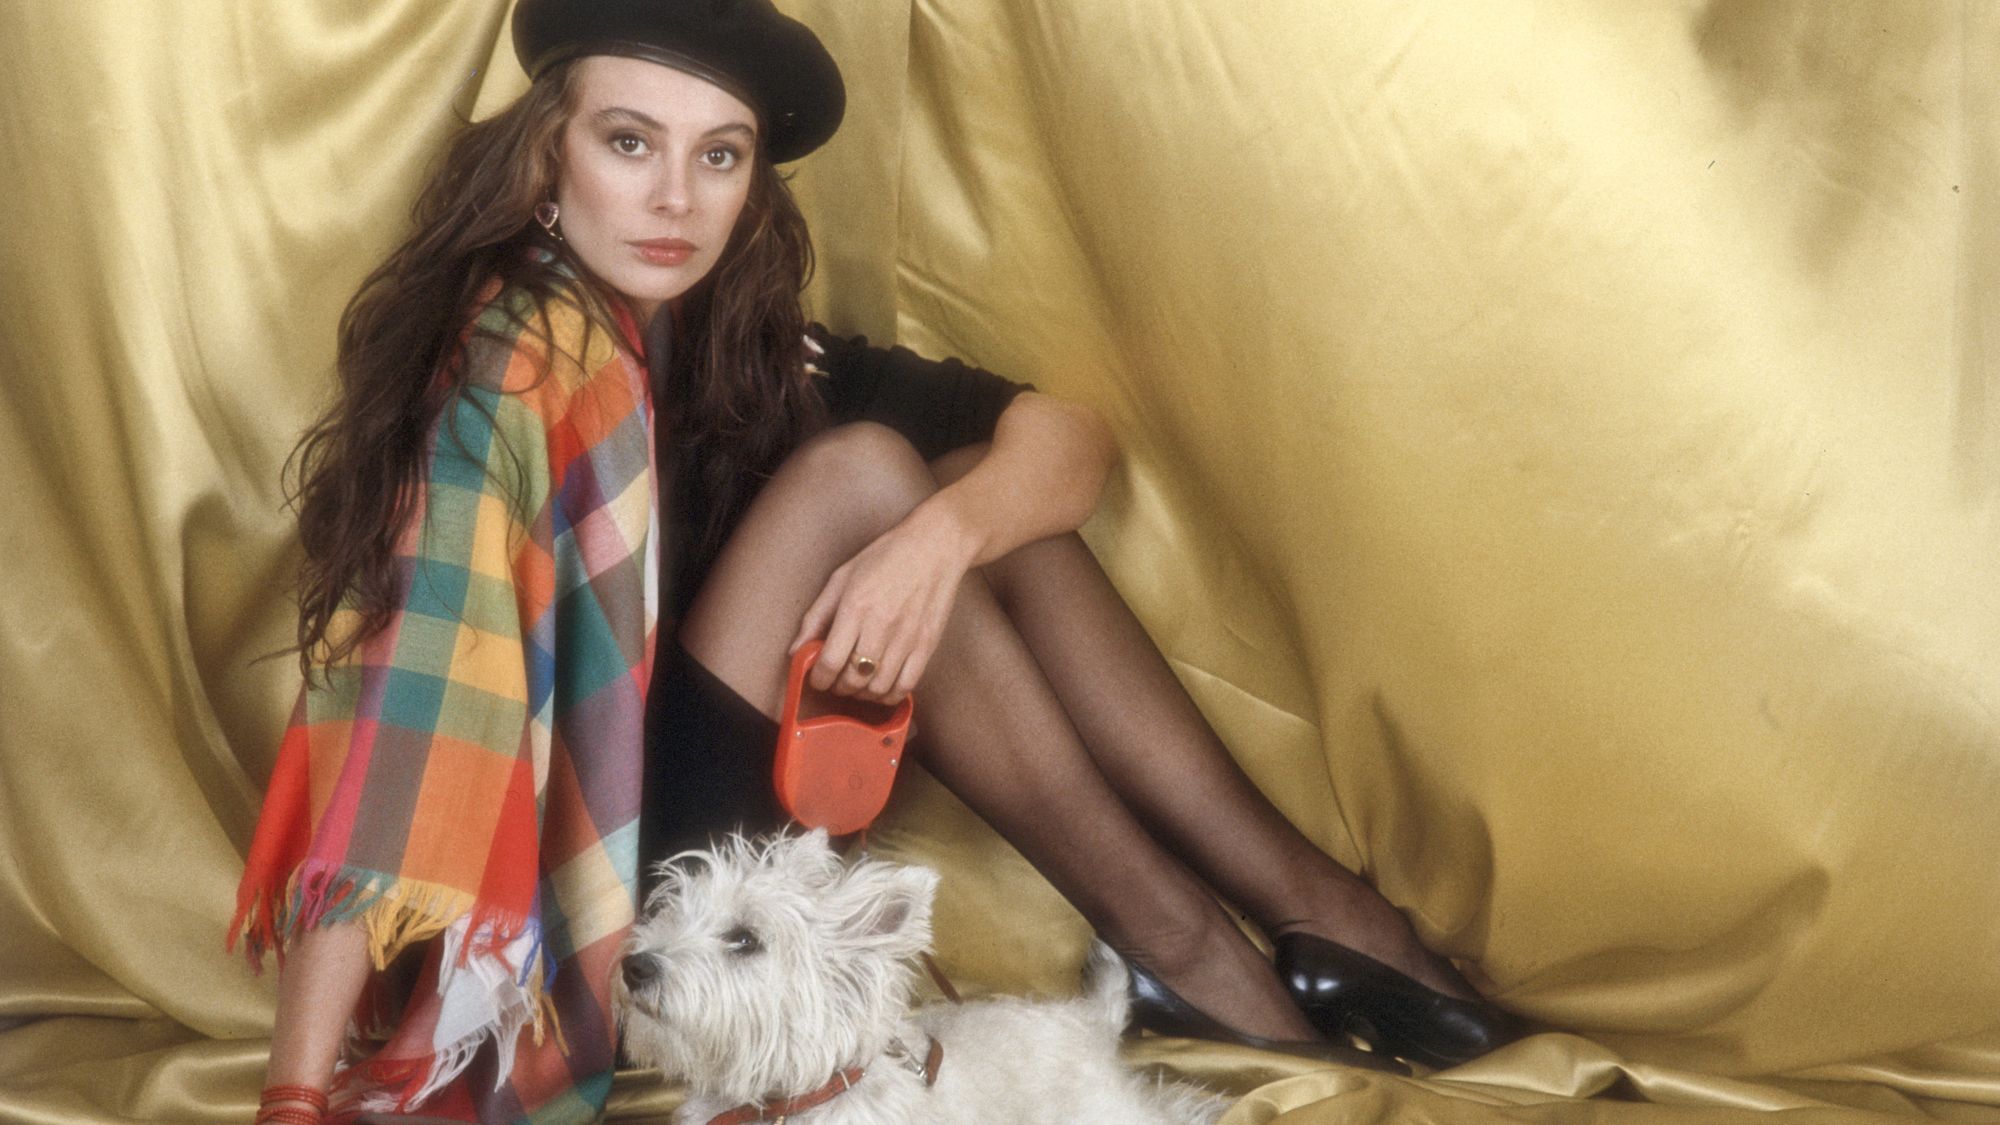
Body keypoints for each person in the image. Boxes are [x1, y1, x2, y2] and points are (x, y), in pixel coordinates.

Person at [228, 1, 1520, 1121]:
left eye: (717, 156)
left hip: (725, 817)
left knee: (956, 490)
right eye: (630, 144)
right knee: (867, 477)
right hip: (618, 886)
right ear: (544, 164)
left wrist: (938, 544)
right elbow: (400, 724)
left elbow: (1065, 439)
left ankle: (1303, 918)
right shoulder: (508, 375)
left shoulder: (747, 345)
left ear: (750, 184)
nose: (676, 197)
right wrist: (295, 1093)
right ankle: (1214, 944)